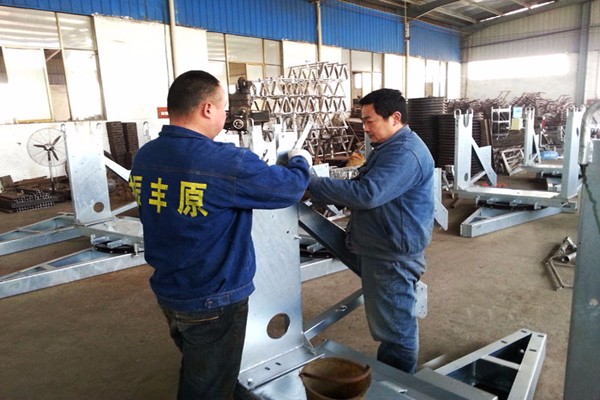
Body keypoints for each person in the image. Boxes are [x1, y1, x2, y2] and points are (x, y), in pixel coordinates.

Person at [129, 70, 312, 399]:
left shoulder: (145, 156)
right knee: (206, 387)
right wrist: (301, 161)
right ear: (207, 109)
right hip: (214, 296)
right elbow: (289, 189)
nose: (226, 116)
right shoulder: (226, 162)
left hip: (170, 288)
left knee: (204, 365)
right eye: (225, 108)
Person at [308, 88, 434, 374]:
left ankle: (397, 384)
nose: (364, 128)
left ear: (395, 118)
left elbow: (368, 194)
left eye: (369, 121)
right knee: (392, 321)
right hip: (382, 243)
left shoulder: (405, 153)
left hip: (390, 253)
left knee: (396, 331)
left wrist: (311, 183)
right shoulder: (390, 147)